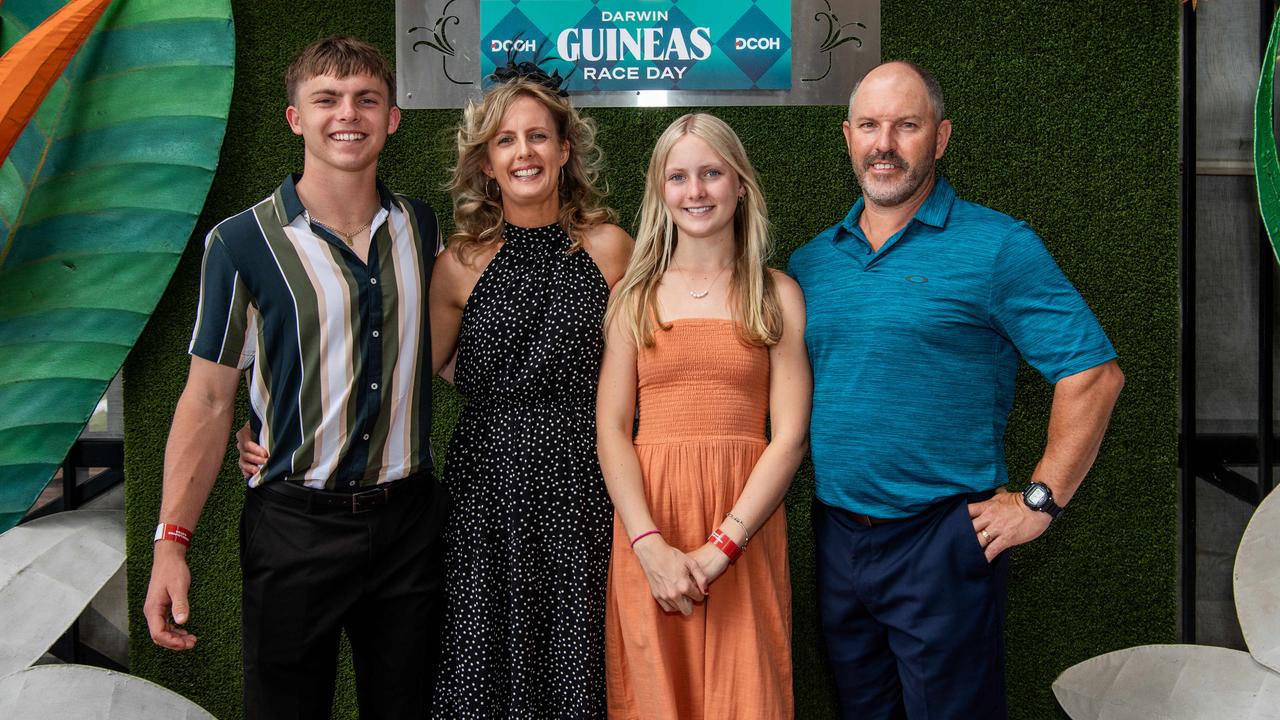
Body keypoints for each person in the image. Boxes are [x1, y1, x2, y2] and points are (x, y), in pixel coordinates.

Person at [786, 60, 1126, 719]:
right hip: (837, 540)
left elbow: (1092, 374)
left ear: (939, 138)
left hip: (941, 539)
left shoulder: (998, 247)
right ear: (848, 136)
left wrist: (1039, 501)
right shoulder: (811, 263)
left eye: (906, 126)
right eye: (869, 126)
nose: (884, 144)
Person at [142, 36, 448, 720]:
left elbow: (443, 354)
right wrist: (171, 544)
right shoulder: (241, 242)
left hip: (409, 526)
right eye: (328, 99)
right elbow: (208, 398)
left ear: (392, 117)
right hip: (294, 528)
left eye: (367, 99)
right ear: (295, 118)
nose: (349, 114)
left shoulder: (421, 229)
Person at [428, 71, 632, 716]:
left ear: (565, 149)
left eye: (539, 137)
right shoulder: (460, 261)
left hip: (582, 484)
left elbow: (642, 371)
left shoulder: (610, 249)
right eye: (506, 141)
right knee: (481, 653)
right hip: (486, 490)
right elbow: (429, 364)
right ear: (486, 163)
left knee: (574, 654)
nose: (525, 153)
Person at [596, 113, 811, 718]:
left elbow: (789, 435)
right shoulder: (632, 296)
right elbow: (612, 428)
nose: (696, 191)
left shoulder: (777, 294)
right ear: (660, 192)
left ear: (740, 184)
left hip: (745, 521)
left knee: (749, 695)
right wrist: (650, 546)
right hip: (650, 528)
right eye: (679, 176)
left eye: (712, 173)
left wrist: (724, 546)